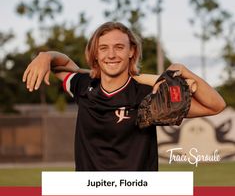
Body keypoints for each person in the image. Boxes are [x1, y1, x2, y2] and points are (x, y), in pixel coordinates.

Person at [23, 22, 226, 171]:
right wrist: (45, 56)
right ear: (95, 54)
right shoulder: (83, 86)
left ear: (132, 51)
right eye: (103, 48)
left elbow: (215, 106)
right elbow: (63, 64)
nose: (111, 55)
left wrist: (183, 71)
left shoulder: (150, 95)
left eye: (119, 47)